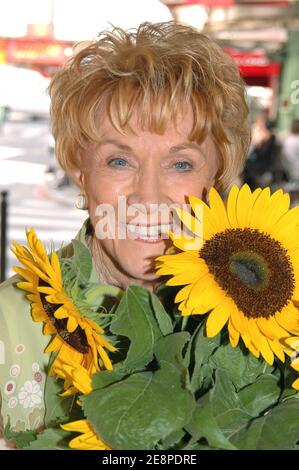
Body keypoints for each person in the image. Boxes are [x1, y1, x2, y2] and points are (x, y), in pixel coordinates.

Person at [0, 21, 250, 435]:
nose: (148, 196)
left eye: (180, 163)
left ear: (216, 176)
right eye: (120, 161)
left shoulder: (263, 328)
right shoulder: (9, 326)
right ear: (81, 172)